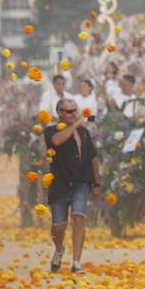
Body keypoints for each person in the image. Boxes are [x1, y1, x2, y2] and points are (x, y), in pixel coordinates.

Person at [43, 98, 100, 274]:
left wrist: (97, 182)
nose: (74, 114)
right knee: (58, 226)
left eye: (75, 110)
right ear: (60, 113)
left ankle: (76, 262)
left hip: (81, 182)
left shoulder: (84, 132)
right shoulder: (51, 130)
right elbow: (57, 141)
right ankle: (59, 249)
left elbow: (93, 158)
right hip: (59, 184)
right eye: (69, 111)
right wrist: (75, 125)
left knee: (78, 218)